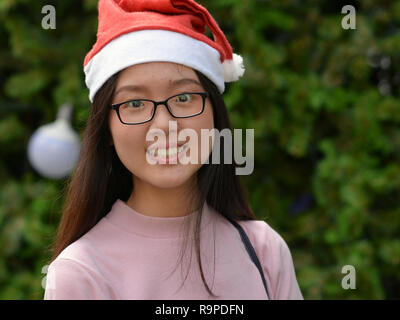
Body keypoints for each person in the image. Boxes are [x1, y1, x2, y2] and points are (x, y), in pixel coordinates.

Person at [44, 0, 303, 300]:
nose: (164, 125)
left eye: (183, 98)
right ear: (107, 130)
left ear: (214, 114)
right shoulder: (81, 272)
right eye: (135, 104)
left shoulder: (264, 250)